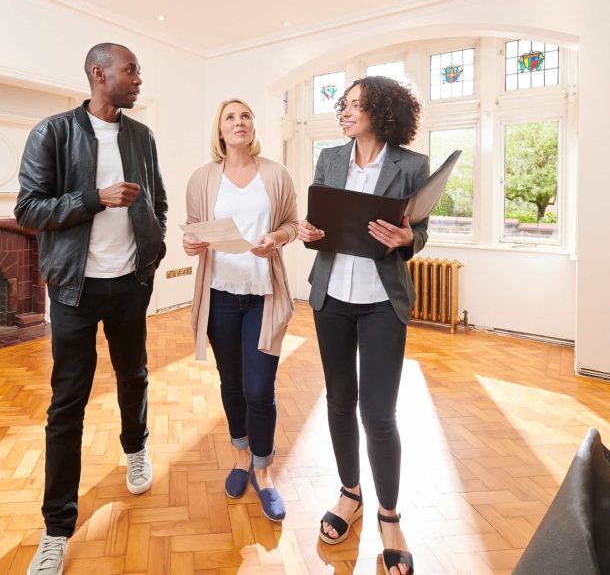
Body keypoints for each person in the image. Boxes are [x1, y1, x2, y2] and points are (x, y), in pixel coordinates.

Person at [15, 43, 167, 575]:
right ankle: (57, 529)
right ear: (99, 74)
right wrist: (94, 198)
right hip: (74, 290)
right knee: (66, 405)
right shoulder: (52, 133)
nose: (139, 79)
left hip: (129, 284)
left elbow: (158, 202)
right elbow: (28, 210)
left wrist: (152, 253)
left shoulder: (141, 136)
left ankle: (136, 448)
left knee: (135, 376)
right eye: (132, 70)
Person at [297, 76, 427, 575]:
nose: (346, 113)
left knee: (378, 413)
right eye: (343, 106)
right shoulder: (330, 160)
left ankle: (389, 515)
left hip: (380, 302)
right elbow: (320, 226)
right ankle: (349, 492)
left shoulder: (411, 165)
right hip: (330, 296)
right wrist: (310, 233)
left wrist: (405, 238)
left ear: (383, 110)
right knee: (337, 401)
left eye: (357, 105)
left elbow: (421, 230)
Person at [183, 98, 299, 521]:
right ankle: (239, 455)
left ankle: (263, 471)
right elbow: (195, 231)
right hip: (220, 296)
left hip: (262, 295)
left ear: (253, 126)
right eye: (230, 117)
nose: (239, 122)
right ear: (219, 130)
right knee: (231, 382)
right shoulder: (202, 178)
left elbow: (290, 223)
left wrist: (278, 238)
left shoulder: (275, 174)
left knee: (258, 388)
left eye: (246, 115)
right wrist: (191, 244)